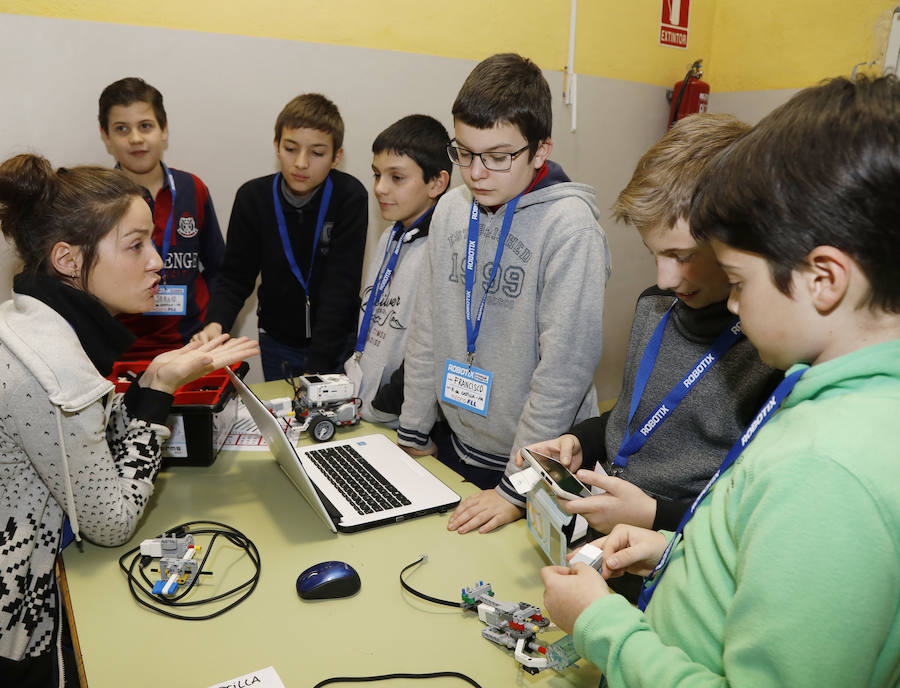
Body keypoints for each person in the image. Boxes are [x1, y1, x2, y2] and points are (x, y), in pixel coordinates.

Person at [540, 75, 900, 687]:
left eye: (738, 279)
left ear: (823, 278)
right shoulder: (837, 410)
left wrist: (603, 626)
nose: (733, 304)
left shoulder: (822, 466)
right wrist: (675, 554)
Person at [0, 155, 259, 686]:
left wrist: (151, 380)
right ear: (68, 260)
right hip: (22, 627)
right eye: (136, 245)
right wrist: (160, 387)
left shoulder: (36, 322)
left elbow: (92, 442)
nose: (158, 261)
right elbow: (111, 522)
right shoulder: (50, 370)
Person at [517, 115, 781, 599]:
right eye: (652, 253)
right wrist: (580, 441)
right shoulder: (655, 307)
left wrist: (653, 515)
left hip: (684, 571)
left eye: (682, 256)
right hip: (609, 553)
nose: (663, 278)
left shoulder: (773, 350)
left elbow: (754, 517)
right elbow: (637, 421)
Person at [397, 53, 609, 534]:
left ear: (540, 150)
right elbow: (427, 325)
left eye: (497, 157)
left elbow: (564, 371)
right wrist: (414, 429)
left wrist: (518, 485)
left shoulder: (570, 229)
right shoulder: (451, 210)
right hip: (454, 443)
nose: (476, 173)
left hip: (534, 468)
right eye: (464, 153)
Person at [195, 93, 367, 381]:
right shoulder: (253, 198)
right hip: (278, 341)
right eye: (291, 148)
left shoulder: (350, 197)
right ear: (276, 146)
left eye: (317, 153)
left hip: (337, 344)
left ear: (337, 157)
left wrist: (316, 371)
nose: (300, 163)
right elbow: (236, 277)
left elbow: (341, 288)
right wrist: (215, 324)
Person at [99, 77, 225, 359]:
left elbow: (220, 270)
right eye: (121, 129)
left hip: (191, 346)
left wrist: (213, 323)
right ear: (105, 136)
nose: (135, 138)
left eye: (145, 126)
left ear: (164, 129)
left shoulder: (193, 189)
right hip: (120, 354)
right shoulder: (97, 201)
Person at [344, 114, 451, 426]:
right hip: (365, 402)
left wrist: (386, 405)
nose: (379, 188)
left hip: (399, 416)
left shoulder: (442, 247)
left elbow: (433, 348)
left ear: (437, 183)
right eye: (377, 174)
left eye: (396, 178)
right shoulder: (389, 235)